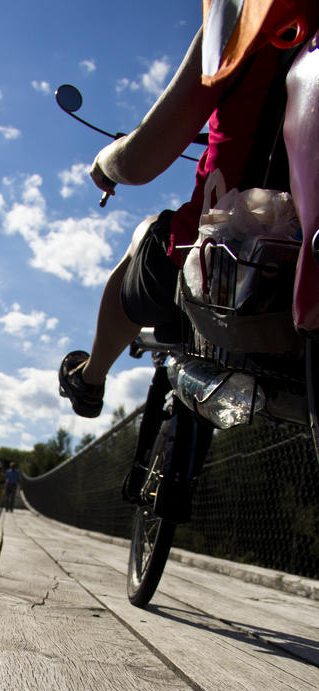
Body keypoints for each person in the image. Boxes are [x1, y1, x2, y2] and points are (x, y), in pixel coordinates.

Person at [58, 13, 301, 419]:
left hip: (219, 269)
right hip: (302, 272)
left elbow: (138, 162)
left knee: (147, 232)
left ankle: (90, 377)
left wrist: (105, 161)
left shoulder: (246, 15)